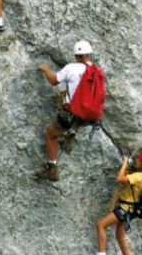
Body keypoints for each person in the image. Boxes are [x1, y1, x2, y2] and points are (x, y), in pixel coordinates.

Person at [35, 40, 94, 181]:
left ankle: (52, 168)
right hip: (90, 115)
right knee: (79, 115)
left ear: (76, 56)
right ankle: (73, 132)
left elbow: (54, 81)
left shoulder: (71, 68)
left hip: (72, 114)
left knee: (50, 133)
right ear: (89, 55)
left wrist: (46, 70)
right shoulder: (96, 71)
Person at [95, 150, 142, 255]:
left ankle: (101, 254)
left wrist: (125, 162)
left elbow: (120, 179)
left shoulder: (139, 176)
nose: (137, 160)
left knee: (100, 225)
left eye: (140, 160)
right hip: (131, 209)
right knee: (120, 235)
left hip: (125, 208)